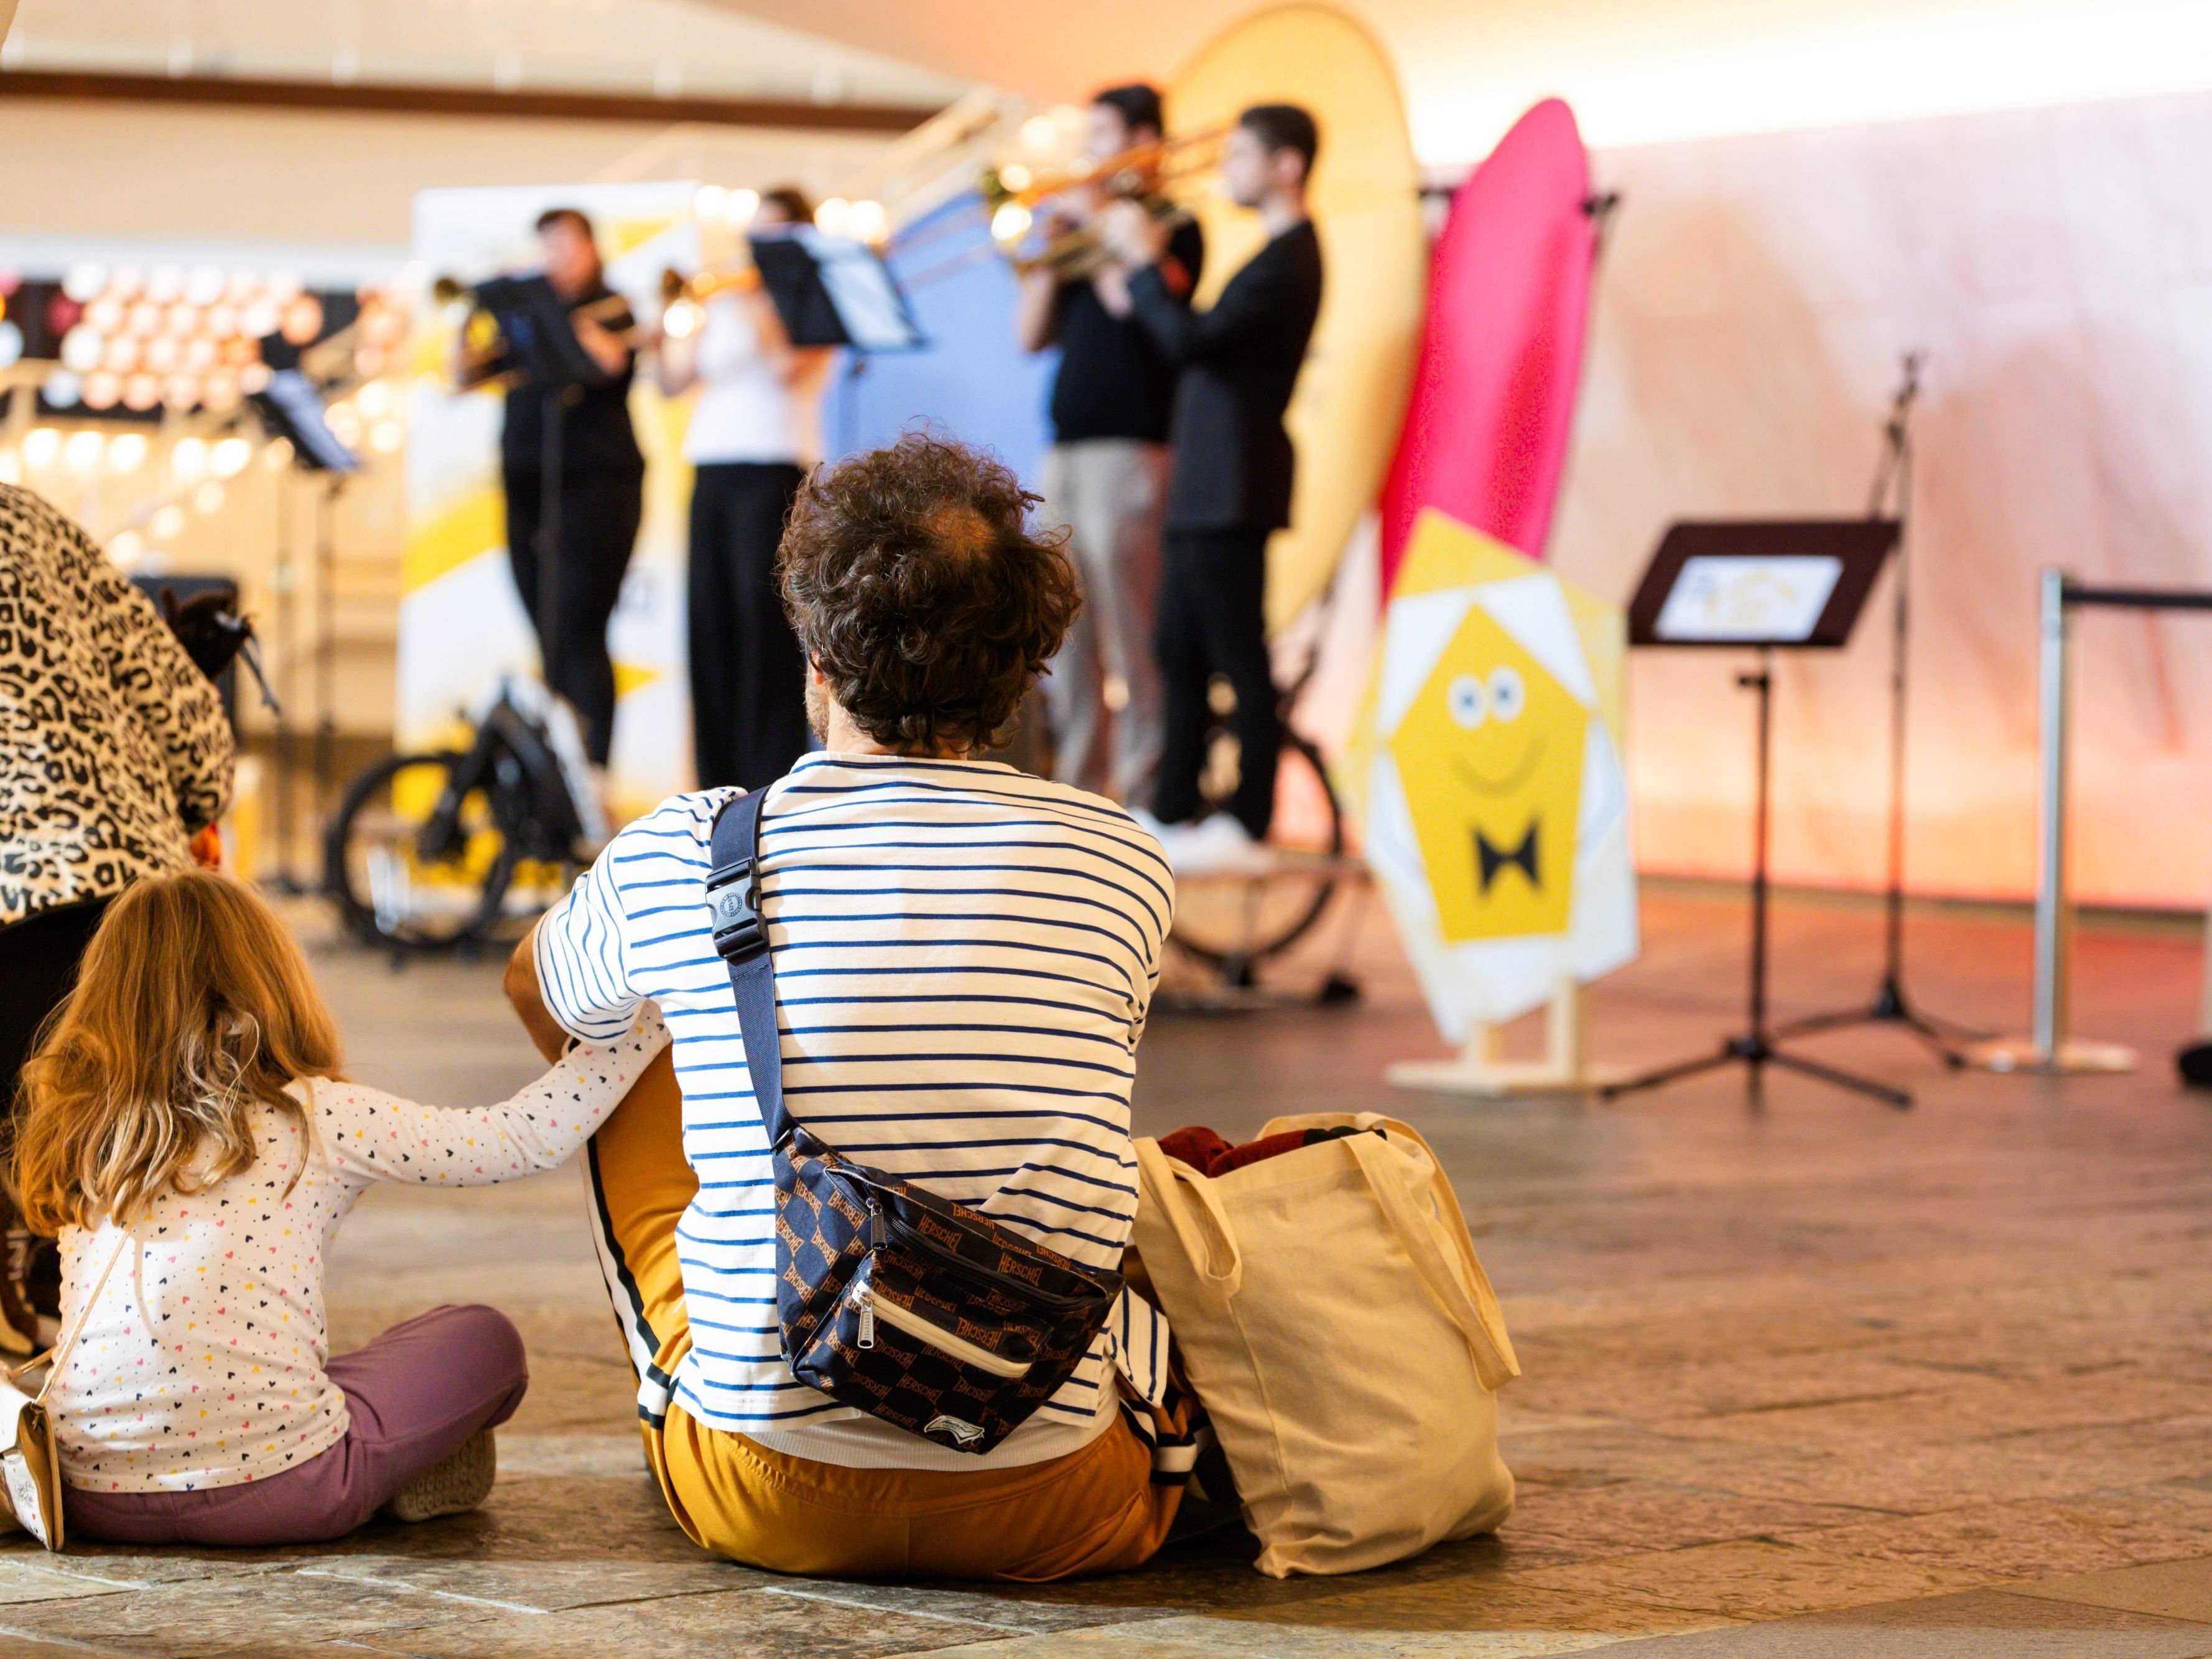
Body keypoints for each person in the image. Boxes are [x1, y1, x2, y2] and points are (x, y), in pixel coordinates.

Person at [505, 432, 1191, 1580]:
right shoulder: (1122, 858)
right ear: (1024, 668)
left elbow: (544, 993)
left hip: (766, 1491)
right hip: (1055, 1493)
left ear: (817, 654)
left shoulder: (692, 845)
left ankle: (720, 1349)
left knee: (615, 1045)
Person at [7, 868, 667, 1547]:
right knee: (482, 1337)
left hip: (86, 1498)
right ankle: (401, 1467)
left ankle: (376, 1456)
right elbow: (523, 1138)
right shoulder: (315, 1116)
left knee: (300, 1376)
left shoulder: (83, 1131)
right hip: (282, 1491)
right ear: (269, 980)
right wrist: (653, 1019)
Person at [0, 484, 235, 1351]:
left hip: (13, 908)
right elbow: (186, 715)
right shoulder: (27, 518)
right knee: (137, 1166)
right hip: (140, 911)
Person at [1101, 104, 1325, 873]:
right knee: (1179, 649)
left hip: (1233, 484)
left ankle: (1251, 821)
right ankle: (1172, 811)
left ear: (1285, 165)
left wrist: (1138, 260)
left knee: (1237, 652)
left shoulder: (1291, 258)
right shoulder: (1273, 255)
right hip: (1207, 483)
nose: (1227, 170)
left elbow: (1188, 341)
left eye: (1240, 156)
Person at [1015, 85, 1203, 805]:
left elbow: (1138, 307)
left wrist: (1102, 224)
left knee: (1134, 631)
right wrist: (1046, 249)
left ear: (1143, 142)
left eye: (1101, 136)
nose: (1087, 155)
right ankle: (1081, 795)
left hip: (1133, 449)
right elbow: (1028, 336)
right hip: (1063, 450)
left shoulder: (1170, 226)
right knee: (1068, 640)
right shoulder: (1078, 233)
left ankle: (1148, 794)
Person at [659, 187, 836, 792]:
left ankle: (766, 781)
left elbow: (792, 365)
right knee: (707, 626)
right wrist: (675, 324)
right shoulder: (724, 301)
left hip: (773, 468)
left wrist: (760, 294)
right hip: (711, 466)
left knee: (762, 631)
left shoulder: (807, 298)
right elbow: (672, 381)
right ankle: (714, 784)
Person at [491, 206, 645, 771]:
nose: (553, 258)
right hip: (527, 477)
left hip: (597, 482)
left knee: (580, 628)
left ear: (591, 250)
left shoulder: (613, 305)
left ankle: (592, 770)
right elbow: (467, 373)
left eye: (564, 246)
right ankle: (555, 769)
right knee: (548, 632)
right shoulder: (523, 314)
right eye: (545, 247)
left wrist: (554, 311)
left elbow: (609, 363)